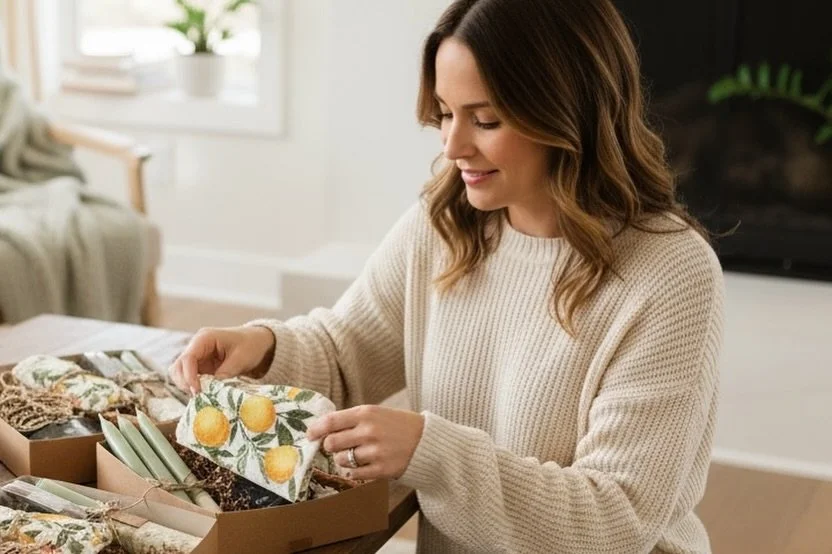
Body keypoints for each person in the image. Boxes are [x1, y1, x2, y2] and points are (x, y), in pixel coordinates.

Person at [168, 0, 725, 552]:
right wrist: (262, 347)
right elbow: (347, 350)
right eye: (444, 112)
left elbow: (614, 521)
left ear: (568, 113)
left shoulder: (669, 274)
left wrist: (430, 452)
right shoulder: (447, 222)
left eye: (485, 120)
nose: (453, 146)